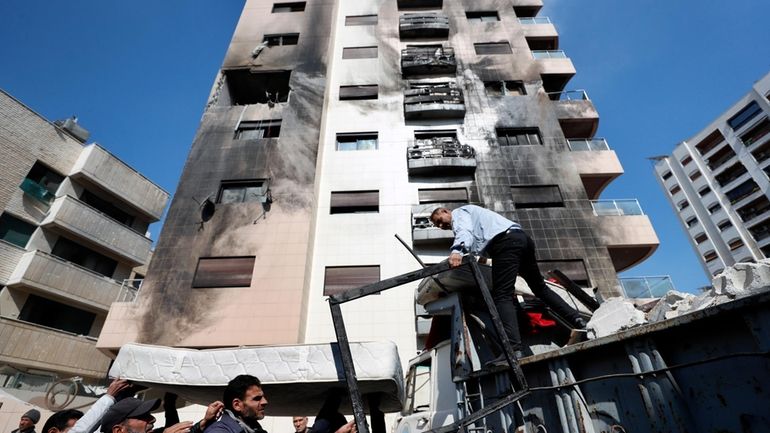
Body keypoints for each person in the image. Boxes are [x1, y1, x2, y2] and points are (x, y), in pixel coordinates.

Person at [430, 205, 586, 364]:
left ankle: (514, 350)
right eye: (438, 226)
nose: (442, 226)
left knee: (502, 295)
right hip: (521, 239)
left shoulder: (459, 214)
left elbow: (465, 233)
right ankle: (578, 321)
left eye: (440, 221)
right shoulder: (474, 214)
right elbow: (480, 243)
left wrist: (457, 251)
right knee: (539, 288)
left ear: (445, 211)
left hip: (505, 244)